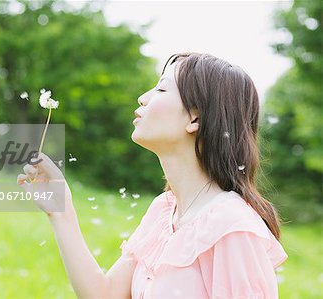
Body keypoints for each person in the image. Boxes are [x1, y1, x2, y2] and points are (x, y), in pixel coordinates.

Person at [17, 52, 288, 298]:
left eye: (161, 88)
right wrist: (61, 210)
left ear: (195, 118)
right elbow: (104, 295)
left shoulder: (232, 227)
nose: (143, 97)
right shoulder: (164, 211)